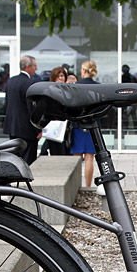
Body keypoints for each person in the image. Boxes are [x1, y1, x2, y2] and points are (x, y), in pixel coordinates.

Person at [4, 54, 41, 164]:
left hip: (12, 127)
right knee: (28, 161)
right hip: (27, 129)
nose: (36, 68)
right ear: (28, 67)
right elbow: (31, 108)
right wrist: (38, 129)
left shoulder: (10, 81)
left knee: (15, 160)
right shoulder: (30, 83)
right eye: (34, 66)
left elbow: (7, 104)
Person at [70, 60, 100, 188]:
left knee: (76, 157)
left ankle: (75, 186)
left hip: (78, 124)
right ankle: (87, 186)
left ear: (83, 70)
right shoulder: (98, 86)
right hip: (92, 124)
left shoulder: (76, 86)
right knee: (89, 157)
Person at [39, 67, 69, 156]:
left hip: (66, 127)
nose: (61, 78)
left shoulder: (67, 90)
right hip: (54, 126)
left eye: (63, 76)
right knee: (56, 151)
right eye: (59, 76)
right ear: (54, 77)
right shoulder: (50, 90)